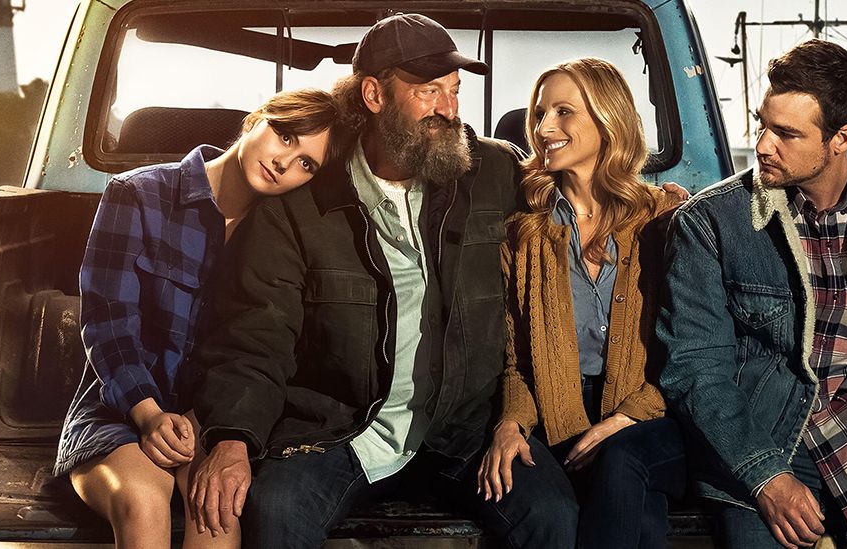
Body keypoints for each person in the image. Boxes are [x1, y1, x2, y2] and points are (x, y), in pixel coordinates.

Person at [184, 12, 556, 548]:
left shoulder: (493, 172)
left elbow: (578, 201)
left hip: (465, 430)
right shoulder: (298, 203)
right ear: (375, 95)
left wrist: (654, 205)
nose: (450, 110)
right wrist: (232, 439)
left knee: (551, 512)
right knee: (277, 508)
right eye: (429, 92)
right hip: (340, 431)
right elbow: (255, 334)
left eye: (454, 91)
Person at [54, 88, 351, 549]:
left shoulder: (288, 234)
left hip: (213, 423)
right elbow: (107, 320)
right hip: (122, 410)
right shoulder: (139, 194)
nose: (284, 163)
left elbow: (272, 348)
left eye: (307, 164)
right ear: (257, 119)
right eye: (286, 136)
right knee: (143, 502)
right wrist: (149, 415)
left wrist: (209, 420)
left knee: (217, 514)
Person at [658, 39, 847, 549]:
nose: (763, 145)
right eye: (762, 124)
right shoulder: (710, 222)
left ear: (841, 138)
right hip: (767, 438)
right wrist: (765, 477)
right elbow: (695, 366)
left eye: (786, 133)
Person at [476, 57, 687, 549]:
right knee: (611, 516)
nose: (543, 128)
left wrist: (629, 416)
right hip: (557, 413)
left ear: (608, 118)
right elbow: (517, 361)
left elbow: (687, 350)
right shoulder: (524, 234)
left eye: (563, 112)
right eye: (540, 114)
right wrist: (511, 423)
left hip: (651, 416)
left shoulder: (665, 219)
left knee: (625, 474)